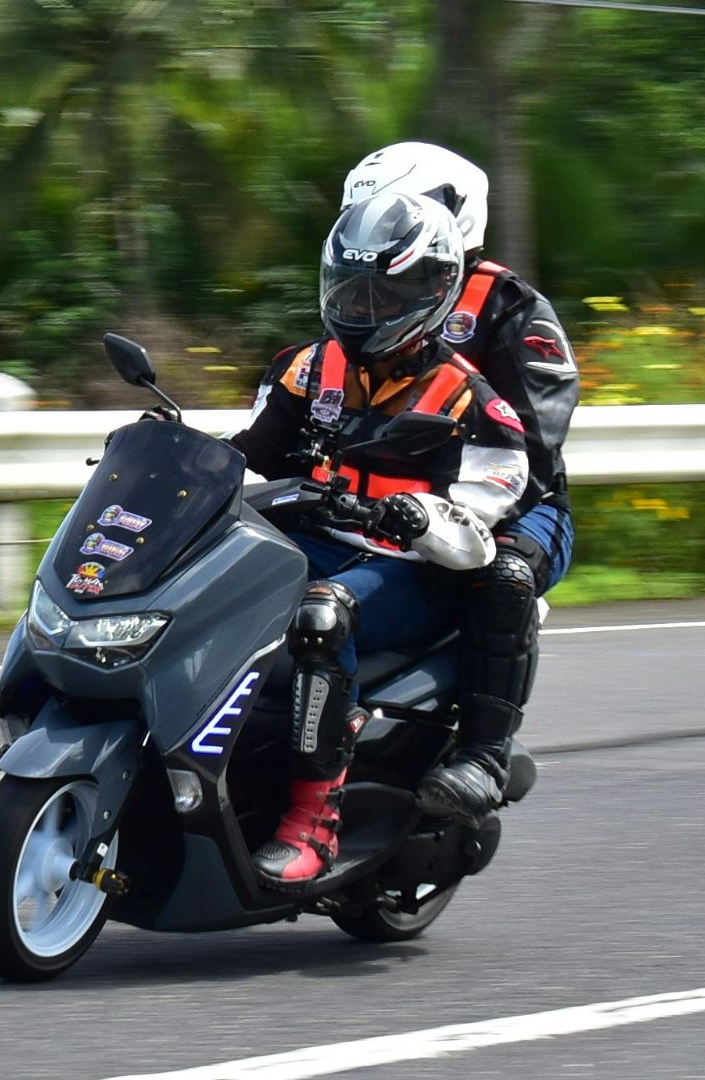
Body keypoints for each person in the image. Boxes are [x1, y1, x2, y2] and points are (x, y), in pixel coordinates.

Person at [228, 191, 533, 888]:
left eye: (384, 292)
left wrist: (421, 516)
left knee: (321, 616)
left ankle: (312, 821)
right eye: (350, 289)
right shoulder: (311, 368)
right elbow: (252, 454)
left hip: (409, 570)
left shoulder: (470, 401)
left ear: (433, 293)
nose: (362, 308)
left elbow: (481, 530)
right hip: (316, 540)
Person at [339, 142, 579, 825]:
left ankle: (484, 755)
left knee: (500, 576)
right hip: (382, 496)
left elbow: (534, 440)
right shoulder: (368, 291)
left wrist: (428, 458)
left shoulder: (510, 307)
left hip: (513, 504)